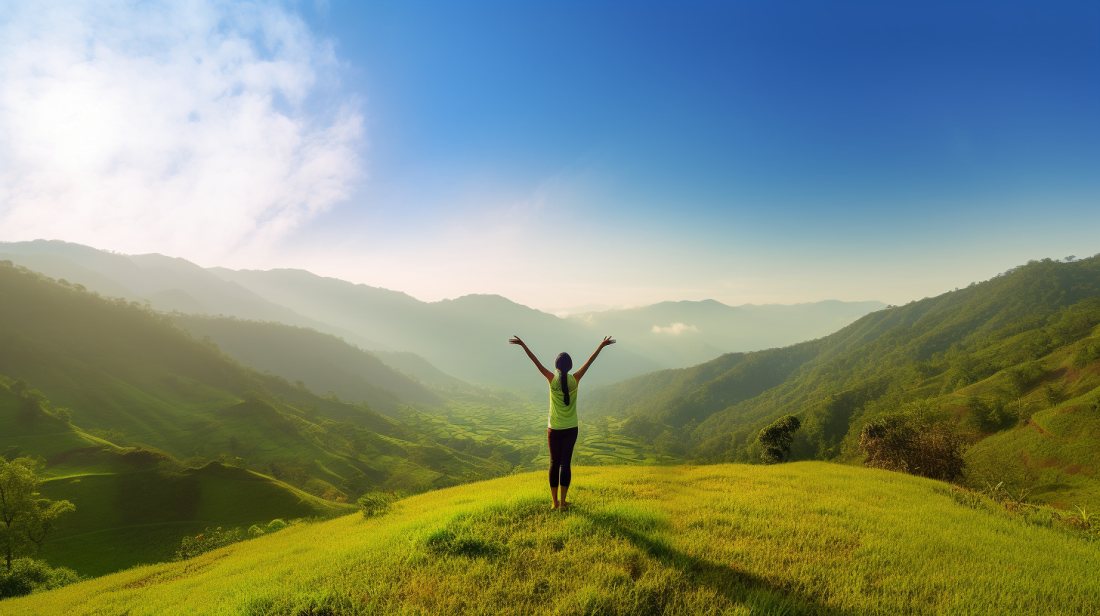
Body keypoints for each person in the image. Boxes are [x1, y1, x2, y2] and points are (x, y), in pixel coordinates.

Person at [508, 334, 616, 510]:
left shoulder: (551, 379)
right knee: (566, 463)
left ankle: (554, 502)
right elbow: (590, 361)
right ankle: (564, 501)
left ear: (556, 367)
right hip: (571, 428)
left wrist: (523, 345)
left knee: (554, 463)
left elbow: (535, 361)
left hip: (554, 428)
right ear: (570, 366)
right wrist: (601, 345)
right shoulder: (576, 379)